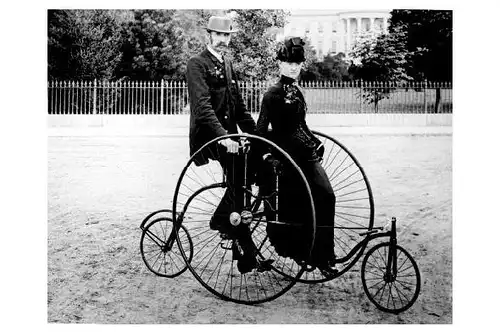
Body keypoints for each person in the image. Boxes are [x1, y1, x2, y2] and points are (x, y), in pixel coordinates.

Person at [186, 16, 269, 273]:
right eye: (219, 35)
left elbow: (239, 107)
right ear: (209, 35)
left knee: (247, 175)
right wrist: (225, 137)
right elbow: (203, 109)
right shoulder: (196, 64)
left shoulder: (228, 63)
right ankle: (224, 223)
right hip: (208, 136)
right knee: (238, 178)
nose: (224, 40)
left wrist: (259, 136)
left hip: (228, 136)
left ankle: (238, 238)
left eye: (227, 36)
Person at [256, 37, 338, 277]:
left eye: (297, 63)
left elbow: (301, 125)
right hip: (289, 160)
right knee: (312, 203)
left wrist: (314, 141)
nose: (293, 67)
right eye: (289, 62)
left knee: (325, 198)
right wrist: (268, 158)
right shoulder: (271, 94)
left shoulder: (297, 91)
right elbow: (261, 132)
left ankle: (322, 255)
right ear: (279, 63)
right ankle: (312, 256)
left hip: (305, 156)